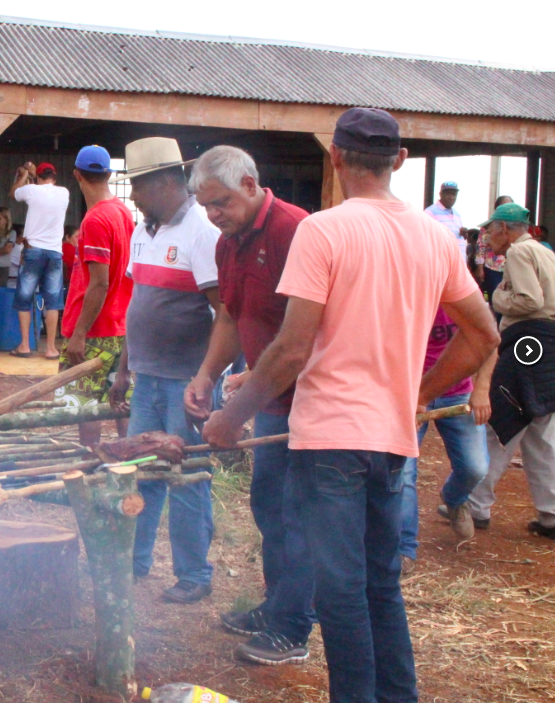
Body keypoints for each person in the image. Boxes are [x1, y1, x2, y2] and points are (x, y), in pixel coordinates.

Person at [201, 108, 498, 703]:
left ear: (335, 156)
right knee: (380, 587)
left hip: (331, 439)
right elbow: (484, 335)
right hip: (392, 441)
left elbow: (290, 348)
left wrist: (229, 419)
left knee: (340, 595)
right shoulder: (435, 237)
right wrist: (416, 392)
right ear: (401, 160)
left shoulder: (325, 230)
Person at [184, 145, 315, 664]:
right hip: (269, 398)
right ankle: (277, 605)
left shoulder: (295, 231)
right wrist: (208, 373)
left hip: (308, 399)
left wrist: (235, 410)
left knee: (297, 516)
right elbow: (232, 317)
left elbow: (299, 340)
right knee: (269, 509)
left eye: (220, 203)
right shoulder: (228, 243)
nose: (214, 216)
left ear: (250, 183)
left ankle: (293, 628)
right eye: (206, 208)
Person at [107, 137, 221, 604]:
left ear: (166, 182)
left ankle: (194, 574)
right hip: (149, 375)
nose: (132, 196)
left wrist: (206, 378)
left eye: (139, 186)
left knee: (187, 476)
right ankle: (135, 561)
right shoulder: (144, 230)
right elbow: (139, 305)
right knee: (143, 469)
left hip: (186, 381)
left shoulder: (203, 232)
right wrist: (123, 369)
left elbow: (225, 315)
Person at [466, 203, 555, 539]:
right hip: (548, 343)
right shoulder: (543, 250)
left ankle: (475, 504)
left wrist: (498, 300)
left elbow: (530, 301)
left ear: (504, 228)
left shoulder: (518, 253)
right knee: (542, 430)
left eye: (490, 230)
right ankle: (551, 515)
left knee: (503, 419)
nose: (487, 237)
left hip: (528, 341)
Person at [399, 308, 494, 572]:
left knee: (475, 467)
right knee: (402, 474)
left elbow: (487, 337)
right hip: (408, 395)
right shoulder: (403, 292)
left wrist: (482, 388)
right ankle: (403, 549)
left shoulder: (460, 293)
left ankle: (454, 497)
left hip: (458, 392)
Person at [57, 146, 134, 447]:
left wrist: (79, 333)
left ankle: (90, 464)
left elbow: (99, 284)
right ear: (109, 174)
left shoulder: (95, 220)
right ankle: (129, 460)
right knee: (120, 399)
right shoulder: (122, 212)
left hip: (95, 331)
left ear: (76, 174)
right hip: (119, 324)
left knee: (85, 405)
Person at [11, 162, 69, 358]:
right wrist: (34, 174)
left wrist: (23, 174)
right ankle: (51, 348)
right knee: (53, 300)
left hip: (33, 250)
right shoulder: (64, 193)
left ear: (37, 177)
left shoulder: (30, 190)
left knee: (24, 298)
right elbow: (43, 185)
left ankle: (25, 346)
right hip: (54, 252)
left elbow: (14, 193)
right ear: (54, 176)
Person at [425, 180, 467, 262]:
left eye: (454, 194)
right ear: (440, 194)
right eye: (448, 193)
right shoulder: (430, 212)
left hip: (459, 264)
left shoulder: (457, 214)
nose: (451, 197)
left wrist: (464, 234)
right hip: (442, 263)